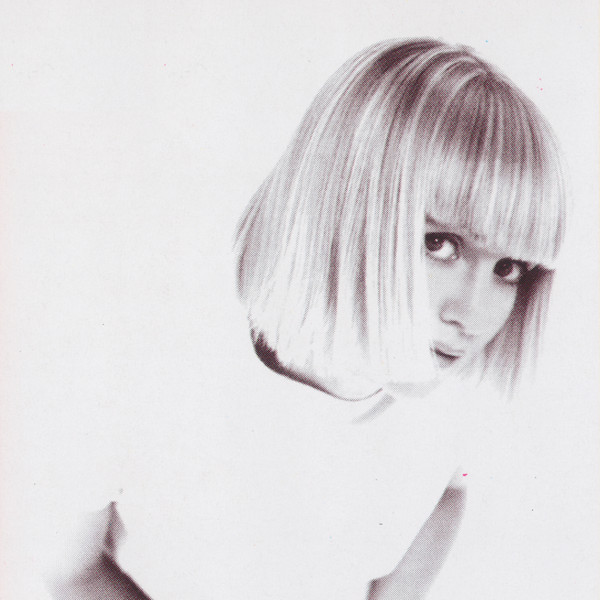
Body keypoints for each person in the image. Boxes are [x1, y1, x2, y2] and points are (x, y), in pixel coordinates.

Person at [49, 38, 566, 600]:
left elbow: (449, 490)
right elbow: (67, 573)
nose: (474, 316)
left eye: (509, 267)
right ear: (339, 205)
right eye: (438, 243)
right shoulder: (143, 361)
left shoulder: (454, 395)